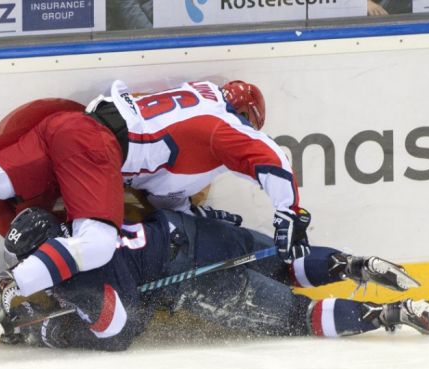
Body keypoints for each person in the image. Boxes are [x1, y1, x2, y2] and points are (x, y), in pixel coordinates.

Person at [0, 78, 306, 300]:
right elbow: (273, 161)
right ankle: (6, 287)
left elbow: (165, 194)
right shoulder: (225, 126)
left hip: (71, 125)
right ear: (246, 118)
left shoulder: (196, 100)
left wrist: (194, 217)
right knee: (98, 243)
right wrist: (289, 215)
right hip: (98, 149)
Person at [0, 207, 429, 351]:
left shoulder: (76, 276)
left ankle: (390, 314)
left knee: (297, 316)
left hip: (200, 280)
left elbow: (119, 331)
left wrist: (52, 331)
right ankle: (355, 265)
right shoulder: (92, 223)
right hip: (202, 230)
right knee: (283, 261)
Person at [86, 79, 311, 262]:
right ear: (242, 115)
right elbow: (268, 155)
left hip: (98, 120)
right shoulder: (222, 121)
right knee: (98, 244)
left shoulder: (198, 94)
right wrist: (289, 210)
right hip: (106, 150)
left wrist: (188, 215)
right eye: (248, 124)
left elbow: (162, 187)